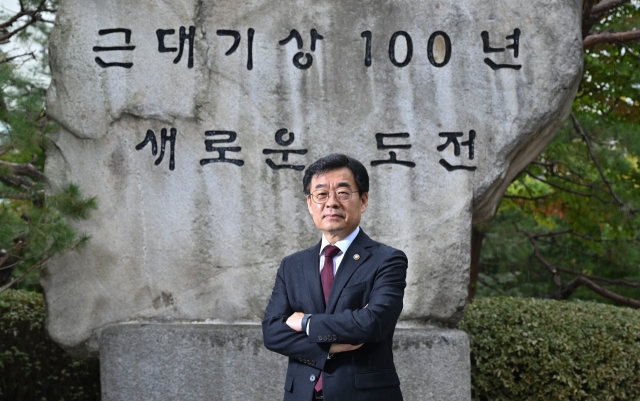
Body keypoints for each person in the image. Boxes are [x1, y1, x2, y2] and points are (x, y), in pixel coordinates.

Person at [262, 153, 408, 401]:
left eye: (342, 193)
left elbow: (372, 323)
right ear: (310, 203)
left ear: (363, 200)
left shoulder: (387, 260)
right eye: (321, 194)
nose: (331, 203)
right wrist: (328, 347)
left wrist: (307, 323)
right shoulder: (292, 265)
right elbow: (272, 332)